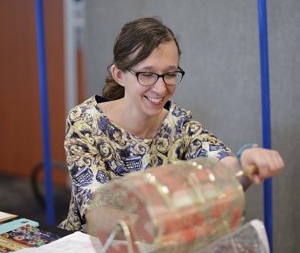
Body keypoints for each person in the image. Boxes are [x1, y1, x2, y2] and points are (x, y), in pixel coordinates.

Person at [59, 17, 284, 232]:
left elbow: (225, 172)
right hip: (92, 252)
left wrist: (247, 161)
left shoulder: (178, 123)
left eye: (170, 74)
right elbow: (100, 212)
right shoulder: (86, 123)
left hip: (161, 252)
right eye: (147, 74)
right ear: (119, 75)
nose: (160, 88)